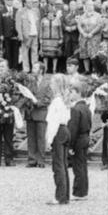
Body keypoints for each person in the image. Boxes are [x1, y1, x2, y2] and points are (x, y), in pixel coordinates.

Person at [45, 74, 73, 205]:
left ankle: (60, 196)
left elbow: (53, 122)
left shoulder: (57, 101)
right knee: (63, 164)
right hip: (65, 130)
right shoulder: (64, 100)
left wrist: (49, 139)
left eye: (52, 83)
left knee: (58, 165)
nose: (51, 86)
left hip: (58, 131)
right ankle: (65, 195)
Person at [21, 62, 51, 168]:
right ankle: (32, 159)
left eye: (35, 68)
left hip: (41, 113)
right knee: (31, 137)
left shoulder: (47, 83)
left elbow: (48, 99)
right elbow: (25, 95)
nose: (33, 70)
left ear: (41, 70)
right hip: (30, 113)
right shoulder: (30, 81)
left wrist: (37, 102)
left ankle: (41, 160)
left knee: (41, 137)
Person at [67, 80, 91, 200]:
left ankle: (78, 192)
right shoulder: (86, 107)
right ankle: (83, 191)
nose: (70, 94)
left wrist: (70, 145)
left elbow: (73, 129)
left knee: (78, 167)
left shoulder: (76, 109)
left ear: (78, 93)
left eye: (71, 92)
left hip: (78, 140)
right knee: (83, 165)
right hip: (85, 137)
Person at [77, 0, 103, 75]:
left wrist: (92, 33)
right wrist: (83, 33)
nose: (90, 7)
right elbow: (79, 25)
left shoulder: (98, 15)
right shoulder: (82, 16)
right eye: (88, 5)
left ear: (93, 6)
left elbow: (99, 26)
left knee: (94, 54)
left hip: (94, 38)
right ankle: (87, 70)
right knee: (85, 54)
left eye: (91, 5)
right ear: (85, 6)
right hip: (84, 37)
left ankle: (95, 70)